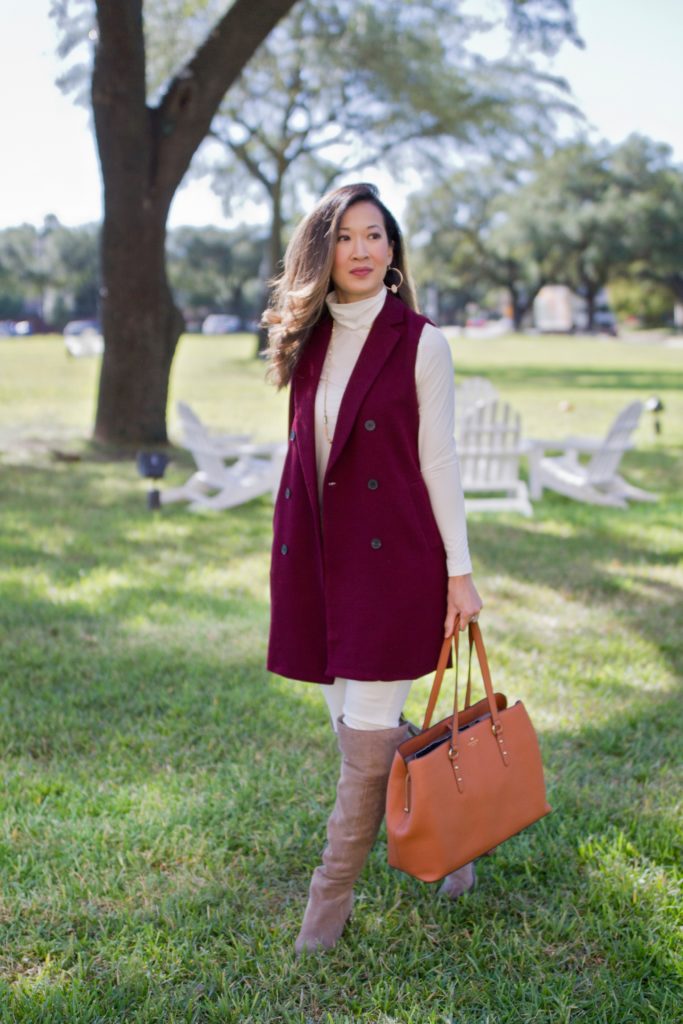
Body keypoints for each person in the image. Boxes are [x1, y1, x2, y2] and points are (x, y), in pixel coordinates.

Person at [263, 182, 483, 954]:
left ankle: (326, 910)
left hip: (393, 570)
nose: (361, 250)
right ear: (322, 251)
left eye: (375, 236)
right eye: (346, 236)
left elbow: (439, 460)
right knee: (364, 733)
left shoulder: (421, 341)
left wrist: (460, 573)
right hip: (315, 564)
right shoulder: (305, 338)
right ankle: (456, 836)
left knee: (361, 755)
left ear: (393, 252)